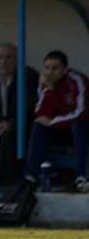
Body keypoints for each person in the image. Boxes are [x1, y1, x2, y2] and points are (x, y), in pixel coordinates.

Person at [23, 50, 89, 192]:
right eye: (47, 68)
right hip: (59, 130)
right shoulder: (45, 84)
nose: (50, 72)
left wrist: (53, 122)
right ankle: (30, 176)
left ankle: (81, 177)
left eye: (55, 68)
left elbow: (82, 113)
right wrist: (50, 90)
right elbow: (41, 113)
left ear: (65, 70)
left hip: (79, 128)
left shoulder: (77, 80)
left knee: (78, 126)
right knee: (38, 125)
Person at [0, 43, 39, 185]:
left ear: (17, 58)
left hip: (22, 124)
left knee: (7, 138)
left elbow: (31, 106)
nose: (3, 62)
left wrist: (11, 123)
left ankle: (5, 181)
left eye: (8, 57)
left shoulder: (28, 77)